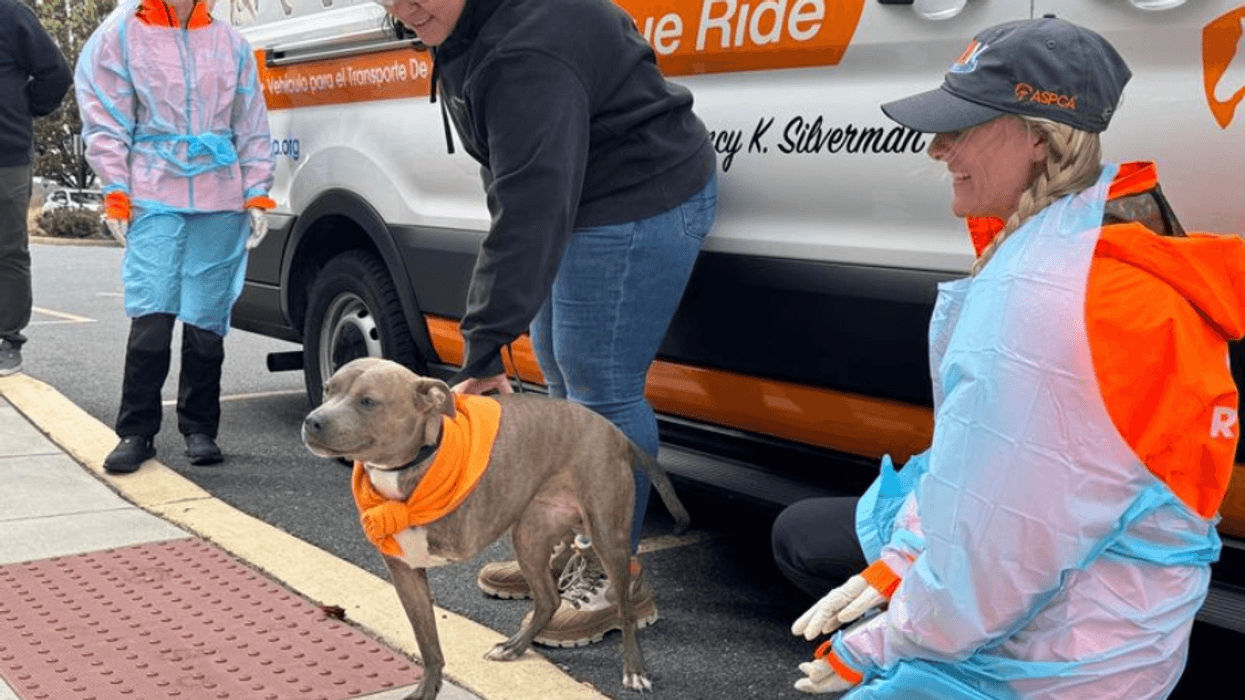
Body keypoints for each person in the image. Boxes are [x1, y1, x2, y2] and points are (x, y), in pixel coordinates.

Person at [771, 16, 1244, 699]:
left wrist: (877, 643)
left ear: (1037, 139)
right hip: (1111, 639)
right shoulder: (1091, 255)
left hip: (1050, 668)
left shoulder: (1051, 295)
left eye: (960, 127)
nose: (936, 148)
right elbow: (991, 477)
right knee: (810, 537)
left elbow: (1007, 550)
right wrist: (899, 561)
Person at [378, 0, 717, 646]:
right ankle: (568, 536)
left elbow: (530, 202)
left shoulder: (525, 48)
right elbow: (513, 178)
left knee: (602, 387)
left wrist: (480, 347)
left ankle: (619, 577)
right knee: (559, 372)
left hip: (634, 194)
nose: (403, 8)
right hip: (581, 194)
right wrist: (497, 323)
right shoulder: (465, 27)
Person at [75, 0, 275, 474]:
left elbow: (251, 122)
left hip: (219, 193)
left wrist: (255, 193)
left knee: (208, 315)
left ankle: (200, 428)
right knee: (153, 308)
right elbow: (106, 115)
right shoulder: (123, 34)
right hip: (153, 189)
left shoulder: (230, 42)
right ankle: (136, 431)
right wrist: (116, 190)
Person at [0, 0, 72, 377]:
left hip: (5, 155)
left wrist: (24, 108)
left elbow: (55, 73)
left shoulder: (11, 15)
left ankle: (7, 338)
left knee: (8, 248)